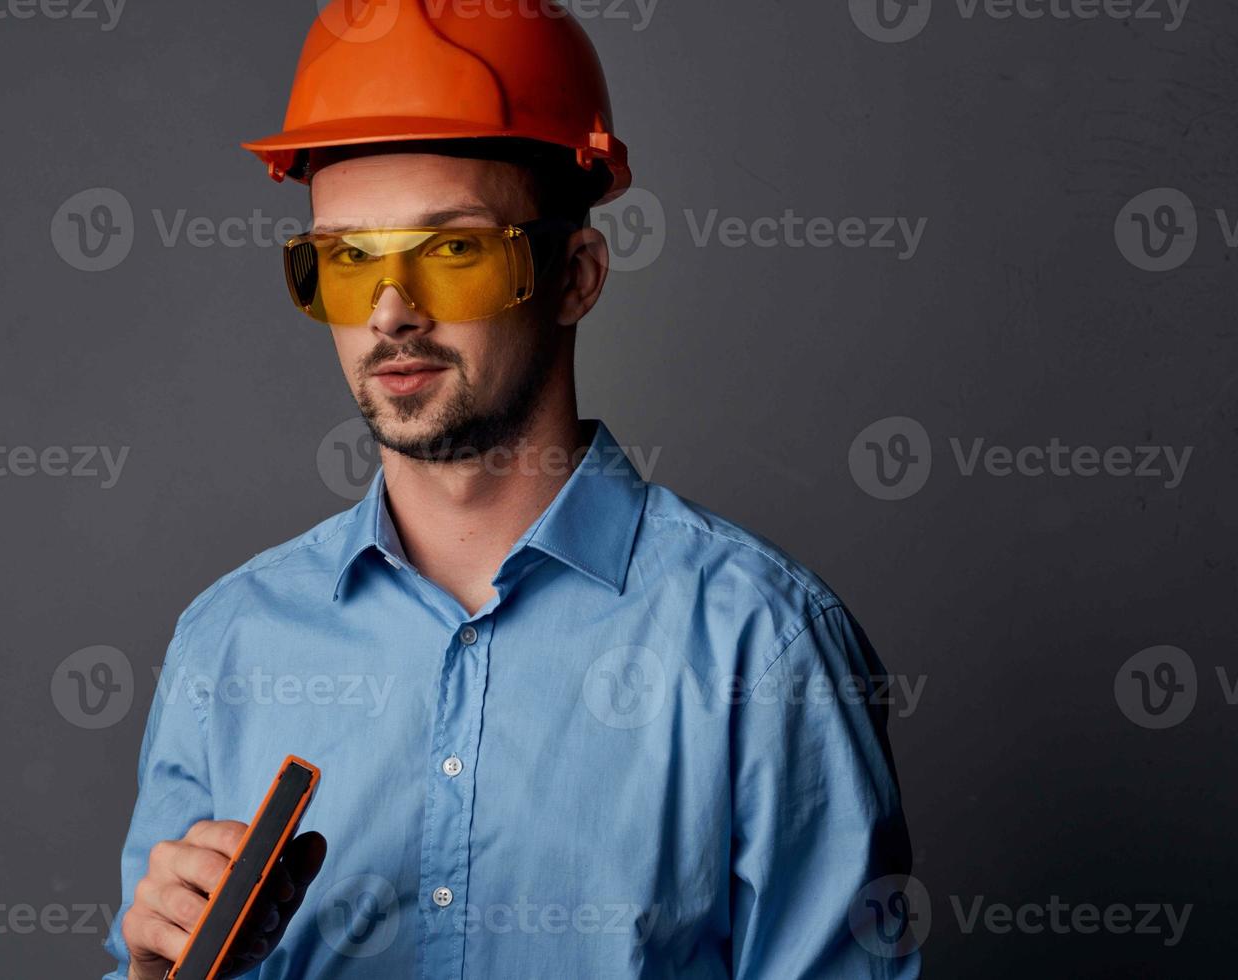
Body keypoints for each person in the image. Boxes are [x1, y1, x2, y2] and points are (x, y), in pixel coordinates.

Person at [105, 2, 918, 977]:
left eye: (452, 250)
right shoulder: (227, 642)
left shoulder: (762, 644)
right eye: (347, 260)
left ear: (575, 274)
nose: (392, 312)